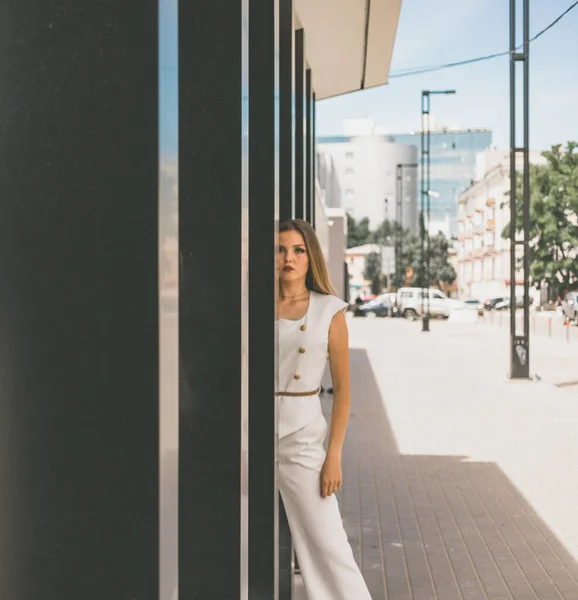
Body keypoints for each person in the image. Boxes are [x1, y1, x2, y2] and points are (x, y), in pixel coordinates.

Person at [276, 219, 372, 600]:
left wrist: (333, 455)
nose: (288, 258)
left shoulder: (329, 310)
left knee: (329, 547)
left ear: (310, 256)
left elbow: (344, 391)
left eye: (298, 250)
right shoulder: (249, 303)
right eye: (280, 249)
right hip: (247, 435)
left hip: (302, 438)